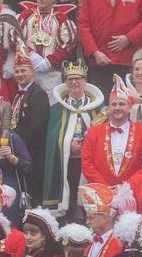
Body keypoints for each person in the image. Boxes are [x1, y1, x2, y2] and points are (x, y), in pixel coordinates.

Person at [41, 59, 104, 222]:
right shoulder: (56, 109)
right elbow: (51, 138)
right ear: (64, 82)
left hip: (90, 164)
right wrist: (67, 145)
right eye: (70, 79)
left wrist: (85, 146)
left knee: (88, 203)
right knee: (67, 204)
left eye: (78, 78)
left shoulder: (98, 109)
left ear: (85, 81)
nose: (74, 82)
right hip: (66, 163)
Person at [80, 74, 142, 188]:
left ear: (129, 108)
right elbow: (87, 164)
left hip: (132, 192)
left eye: (122, 104)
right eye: (114, 104)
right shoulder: (94, 132)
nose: (117, 108)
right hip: (101, 192)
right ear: (108, 109)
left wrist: (127, 186)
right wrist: (104, 187)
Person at [9, 44, 50, 207]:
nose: (20, 74)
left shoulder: (38, 94)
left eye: (23, 71)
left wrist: (17, 145)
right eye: (17, 71)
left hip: (32, 153)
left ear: (32, 72)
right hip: (21, 153)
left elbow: (36, 128)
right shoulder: (17, 95)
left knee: (33, 193)